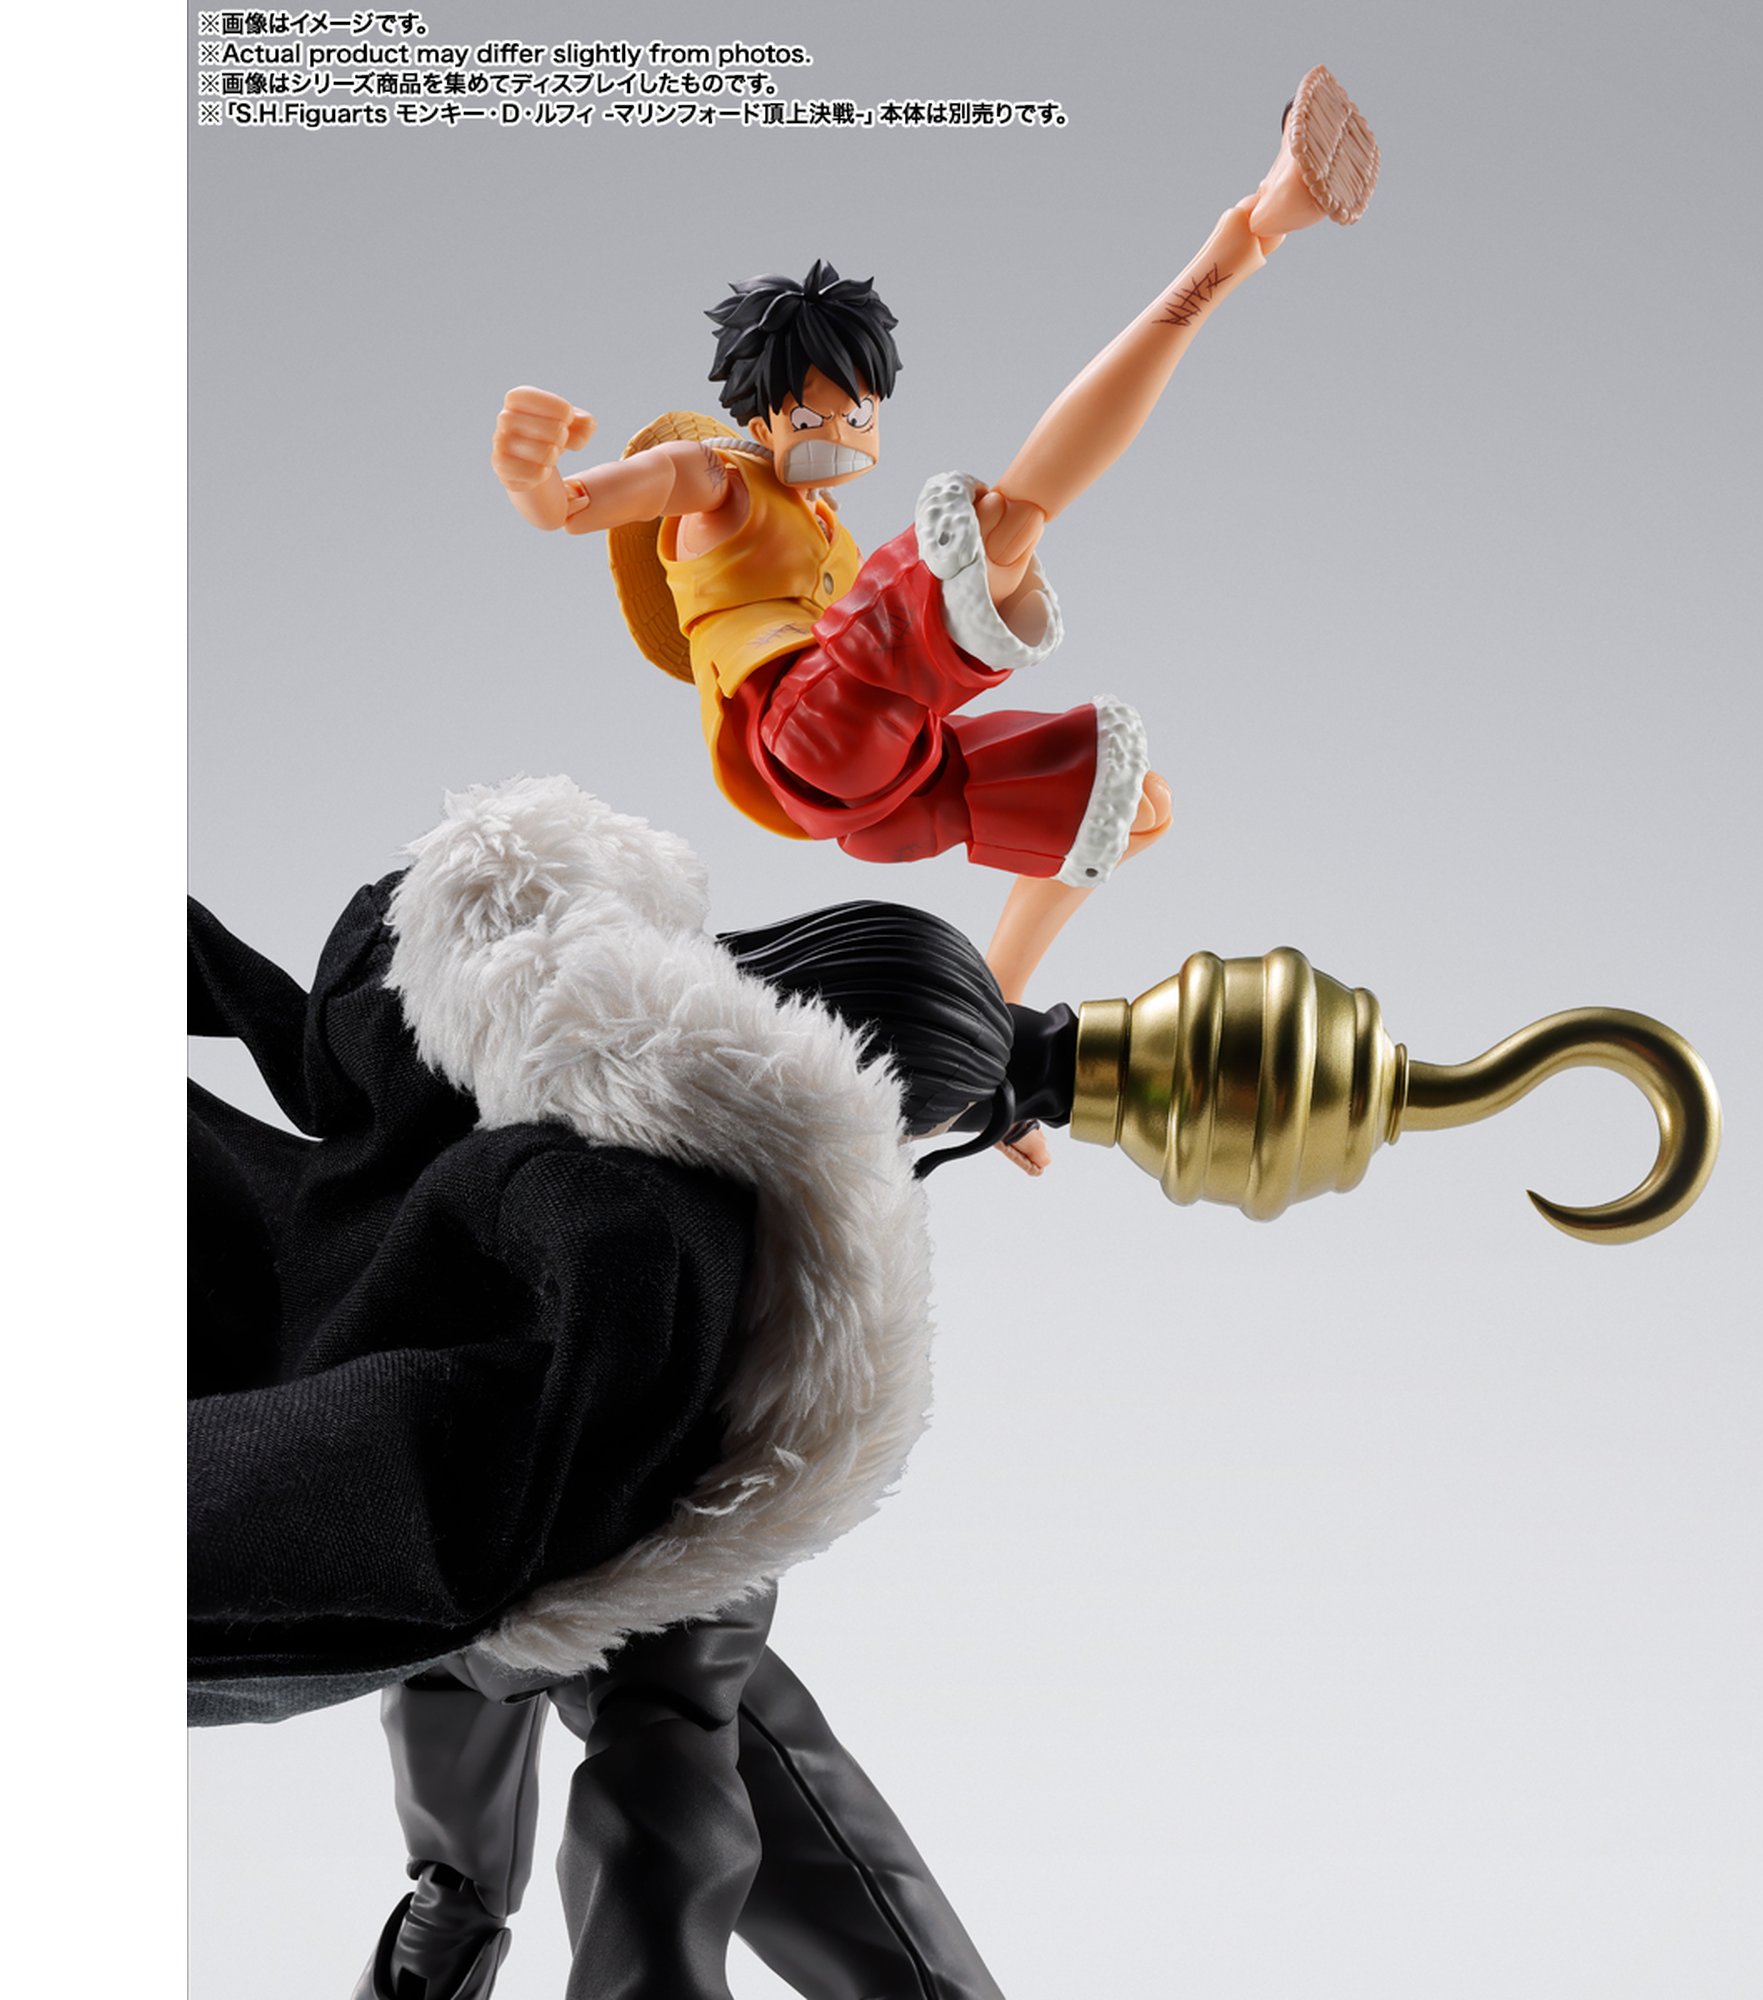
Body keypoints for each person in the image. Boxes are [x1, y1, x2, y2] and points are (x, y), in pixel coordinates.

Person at [191, 776, 1065, 1998]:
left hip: (439, 1460)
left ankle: (443, 1936)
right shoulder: (685, 1221)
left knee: (520, 1765)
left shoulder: (532, 982)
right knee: (675, 1755)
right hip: (541, 1497)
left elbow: (341, 1046)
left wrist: (1012, 1062)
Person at [488, 65, 1379, 1004]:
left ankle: (996, 1022)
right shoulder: (715, 478)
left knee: (1125, 807)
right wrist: (530, 471)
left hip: (880, 777)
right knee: (1005, 522)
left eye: (860, 413)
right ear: (758, 418)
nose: (841, 435)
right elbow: (567, 508)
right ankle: (1241, 238)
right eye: (811, 416)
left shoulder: (825, 536)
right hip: (809, 724)